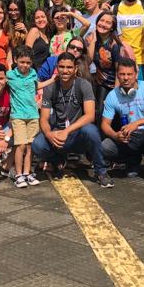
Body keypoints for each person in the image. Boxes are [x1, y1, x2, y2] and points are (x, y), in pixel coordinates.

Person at [31, 53, 113, 187]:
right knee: (37, 144)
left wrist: (67, 131)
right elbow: (44, 118)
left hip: (76, 134)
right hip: (57, 135)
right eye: (61, 67)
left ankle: (101, 171)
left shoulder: (83, 85)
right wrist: (49, 134)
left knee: (91, 130)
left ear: (75, 69)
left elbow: (90, 115)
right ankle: (58, 161)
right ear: (57, 67)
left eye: (69, 67)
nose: (65, 70)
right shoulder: (50, 88)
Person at [100, 57, 144, 190]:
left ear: (136, 74)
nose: (126, 78)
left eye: (129, 74)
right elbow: (104, 124)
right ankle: (133, 162)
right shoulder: (112, 95)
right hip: (131, 136)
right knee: (104, 146)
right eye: (122, 74)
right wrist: (115, 135)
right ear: (118, 75)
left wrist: (137, 123)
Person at [6, 45, 51, 188]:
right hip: (18, 115)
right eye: (22, 62)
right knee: (20, 145)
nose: (25, 65)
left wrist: (53, 79)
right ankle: (18, 174)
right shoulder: (10, 75)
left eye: (28, 62)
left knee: (30, 146)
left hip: (32, 115)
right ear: (15, 60)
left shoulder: (33, 73)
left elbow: (37, 86)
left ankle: (27, 172)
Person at [85, 11, 132, 117]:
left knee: (104, 112)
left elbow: (118, 71)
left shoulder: (114, 45)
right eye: (101, 20)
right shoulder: (93, 39)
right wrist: (92, 42)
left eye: (108, 23)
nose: (103, 24)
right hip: (98, 82)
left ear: (112, 27)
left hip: (112, 84)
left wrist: (115, 92)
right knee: (96, 111)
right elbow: (88, 61)